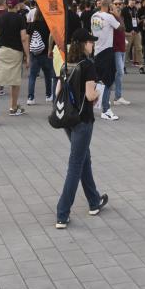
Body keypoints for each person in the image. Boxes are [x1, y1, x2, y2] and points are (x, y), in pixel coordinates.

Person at [53, 34, 109, 229]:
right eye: (90, 41)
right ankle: (62, 212)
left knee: (84, 158)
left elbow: (58, 89)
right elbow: (90, 94)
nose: (92, 45)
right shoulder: (88, 66)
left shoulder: (65, 64)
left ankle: (94, 201)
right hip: (83, 119)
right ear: (83, 44)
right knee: (75, 164)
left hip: (68, 118)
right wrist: (100, 91)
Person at [0, 0, 29, 123]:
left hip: (1, 51)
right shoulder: (20, 19)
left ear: (7, 6)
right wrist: (27, 56)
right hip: (16, 52)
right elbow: (24, 38)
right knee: (15, 81)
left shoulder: (0, 18)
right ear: (17, 6)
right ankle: (13, 107)